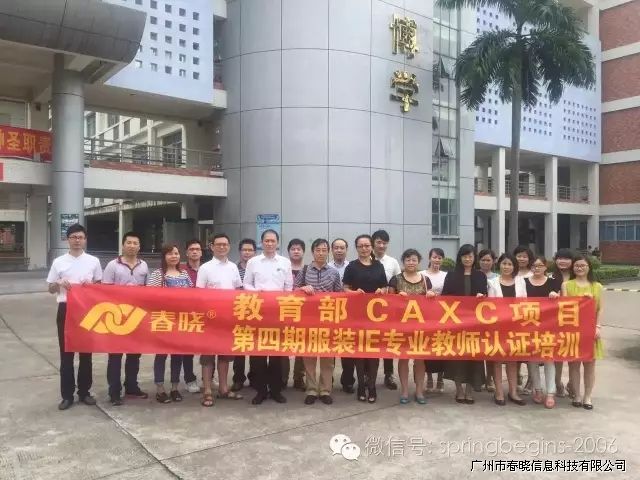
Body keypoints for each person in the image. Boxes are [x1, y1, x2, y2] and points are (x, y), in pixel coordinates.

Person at [47, 224, 103, 411]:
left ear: (85, 240)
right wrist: (58, 283)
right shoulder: (59, 262)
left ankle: (85, 392)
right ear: (67, 239)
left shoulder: (93, 261)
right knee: (66, 353)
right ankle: (67, 395)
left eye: (80, 237)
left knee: (86, 353)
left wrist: (91, 285)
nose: (77, 240)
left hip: (87, 310)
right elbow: (50, 289)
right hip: (65, 308)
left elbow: (100, 285)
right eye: (73, 237)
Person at [243, 229, 293, 404]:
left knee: (277, 353)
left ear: (277, 243)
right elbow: (246, 284)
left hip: (278, 313)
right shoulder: (253, 262)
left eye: (273, 241)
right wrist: (258, 292)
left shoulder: (285, 262)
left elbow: (289, 288)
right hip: (258, 312)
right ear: (262, 242)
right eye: (267, 241)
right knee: (258, 353)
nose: (270, 243)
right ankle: (261, 391)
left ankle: (276, 390)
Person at [196, 233, 244, 407]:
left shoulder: (233, 267)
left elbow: (238, 290)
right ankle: (208, 391)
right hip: (210, 319)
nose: (222, 247)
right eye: (218, 244)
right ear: (212, 247)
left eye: (225, 244)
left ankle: (223, 389)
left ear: (229, 247)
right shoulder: (205, 268)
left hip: (228, 319)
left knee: (225, 355)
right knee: (208, 357)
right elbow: (199, 293)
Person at [103, 231, 149, 406]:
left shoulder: (144, 266)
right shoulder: (112, 265)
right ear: (123, 245)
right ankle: (114, 391)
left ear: (139, 246)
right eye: (128, 242)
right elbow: (105, 291)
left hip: (136, 316)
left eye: (135, 243)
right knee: (115, 356)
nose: (132, 246)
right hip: (116, 316)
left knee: (134, 354)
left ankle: (131, 386)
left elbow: (147, 291)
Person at [295, 238, 343, 405]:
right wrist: (302, 288)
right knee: (309, 356)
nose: (321, 253)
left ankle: (325, 390)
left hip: (328, 320)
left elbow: (340, 295)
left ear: (328, 252)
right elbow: (293, 290)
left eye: (324, 250)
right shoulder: (305, 270)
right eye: (318, 250)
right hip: (308, 319)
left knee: (327, 358)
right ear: (313, 252)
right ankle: (311, 389)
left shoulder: (334, 273)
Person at [343, 234, 389, 403]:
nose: (364, 249)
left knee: (374, 352)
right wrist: (354, 293)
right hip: (356, 315)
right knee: (360, 352)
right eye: (360, 246)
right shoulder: (351, 267)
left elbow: (385, 287)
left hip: (376, 315)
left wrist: (381, 291)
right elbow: (345, 288)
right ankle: (361, 386)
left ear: (371, 247)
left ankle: (372, 386)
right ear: (356, 248)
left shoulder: (378, 266)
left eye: (367, 245)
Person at [147, 244, 193, 403]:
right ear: (164, 256)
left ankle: (174, 388)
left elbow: (193, 295)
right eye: (170, 254)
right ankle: (160, 389)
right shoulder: (157, 274)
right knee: (161, 355)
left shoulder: (184, 273)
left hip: (181, 320)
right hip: (164, 320)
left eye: (176, 253)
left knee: (177, 355)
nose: (174, 256)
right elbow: (149, 296)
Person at [388, 249, 435, 404]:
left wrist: (431, 295)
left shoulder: (425, 280)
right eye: (408, 260)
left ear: (419, 262)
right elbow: (388, 302)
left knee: (420, 359)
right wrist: (396, 297)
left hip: (421, 326)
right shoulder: (396, 279)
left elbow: (431, 304)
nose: (411, 263)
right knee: (403, 358)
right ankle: (404, 390)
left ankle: (419, 391)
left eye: (414, 260)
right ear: (403, 262)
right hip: (401, 326)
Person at [441, 244, 487, 404]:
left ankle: (469, 390)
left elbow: (486, 297)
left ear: (474, 258)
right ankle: (459, 390)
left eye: (470, 256)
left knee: (473, 357)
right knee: (457, 357)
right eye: (464, 256)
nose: (467, 259)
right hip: (456, 323)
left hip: (475, 323)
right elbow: (445, 297)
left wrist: (482, 296)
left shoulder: (480, 275)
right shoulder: (451, 275)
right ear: (460, 258)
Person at [562, 254, 603, 410]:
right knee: (573, 365)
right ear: (573, 268)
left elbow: (600, 309)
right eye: (577, 266)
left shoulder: (597, 286)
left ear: (588, 268)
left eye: (583, 265)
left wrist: (598, 327)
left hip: (590, 330)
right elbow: (564, 307)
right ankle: (577, 395)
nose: (579, 268)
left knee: (589, 366)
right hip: (572, 330)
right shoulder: (566, 285)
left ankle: (587, 396)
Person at [487, 253, 527, 406]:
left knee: (512, 360)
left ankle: (513, 392)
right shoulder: (492, 283)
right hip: (497, 326)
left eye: (510, 264)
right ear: (500, 265)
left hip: (516, 326)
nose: (506, 267)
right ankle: (498, 392)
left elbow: (525, 302)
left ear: (514, 266)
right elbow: (491, 305)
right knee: (497, 360)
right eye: (504, 263)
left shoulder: (521, 281)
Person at [524, 255, 561, 408]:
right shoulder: (524, 282)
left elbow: (562, 302)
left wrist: (556, 296)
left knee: (548, 359)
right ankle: (537, 390)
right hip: (529, 325)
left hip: (548, 326)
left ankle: (550, 392)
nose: (537, 268)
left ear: (546, 267)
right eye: (534, 265)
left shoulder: (553, 282)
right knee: (532, 359)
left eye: (540, 265)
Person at [371, 229, 401, 390]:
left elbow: (399, 282)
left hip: (388, 309)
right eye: (378, 242)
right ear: (373, 243)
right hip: (368, 309)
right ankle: (369, 375)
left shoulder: (392, 262)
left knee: (388, 341)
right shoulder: (365, 259)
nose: (381, 245)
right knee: (371, 341)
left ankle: (389, 375)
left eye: (384, 243)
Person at [420, 248, 448, 393]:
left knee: (440, 346)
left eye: (440, 257)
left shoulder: (446, 275)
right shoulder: (422, 275)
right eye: (435, 257)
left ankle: (440, 378)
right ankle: (429, 377)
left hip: (443, 316)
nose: (437, 260)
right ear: (429, 258)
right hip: (425, 316)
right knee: (427, 347)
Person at [231, 238, 257, 392]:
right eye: (244, 250)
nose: (247, 253)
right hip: (238, 312)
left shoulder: (258, 267)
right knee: (239, 347)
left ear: (255, 252)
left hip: (255, 312)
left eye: (250, 250)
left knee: (255, 347)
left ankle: (254, 378)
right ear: (240, 251)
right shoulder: (232, 268)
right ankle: (238, 379)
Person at [548, 248, 574, 397]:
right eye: (559, 258)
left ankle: (572, 383)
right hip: (555, 322)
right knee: (557, 354)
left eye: (566, 258)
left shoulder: (578, 276)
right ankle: (558, 383)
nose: (562, 261)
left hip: (574, 321)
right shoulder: (550, 277)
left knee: (573, 354)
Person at [283, 238, 306, 391]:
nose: (296, 251)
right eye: (293, 249)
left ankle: (299, 377)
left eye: (299, 249)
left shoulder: (308, 269)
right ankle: (282, 377)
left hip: (303, 313)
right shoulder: (282, 267)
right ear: (288, 251)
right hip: (284, 311)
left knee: (301, 345)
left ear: (303, 251)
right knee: (283, 345)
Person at [180, 239, 203, 394]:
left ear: (201, 252)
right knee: (187, 349)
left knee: (209, 347)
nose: (194, 252)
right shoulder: (180, 270)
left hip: (206, 314)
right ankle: (190, 379)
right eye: (191, 249)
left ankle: (209, 377)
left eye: (197, 249)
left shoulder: (208, 268)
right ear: (187, 253)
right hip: (186, 314)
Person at [513, 245, 534, 393]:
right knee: (516, 349)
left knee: (529, 351)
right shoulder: (510, 273)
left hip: (530, 318)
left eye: (524, 256)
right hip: (513, 318)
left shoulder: (534, 274)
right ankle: (517, 376)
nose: (521, 259)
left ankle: (531, 380)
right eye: (519, 256)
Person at [477, 249, 497, 393]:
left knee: (490, 351)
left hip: (493, 318)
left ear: (493, 261)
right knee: (477, 350)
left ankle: (490, 379)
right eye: (483, 260)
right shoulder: (474, 275)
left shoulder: (497, 277)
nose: (485, 262)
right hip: (474, 318)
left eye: (488, 260)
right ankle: (478, 379)